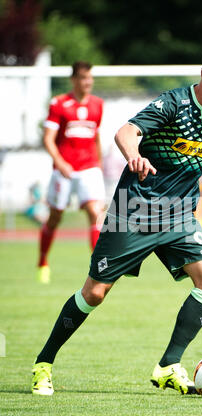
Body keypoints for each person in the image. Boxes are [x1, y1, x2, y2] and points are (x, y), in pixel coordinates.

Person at [31, 46, 202, 396]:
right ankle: (44, 363)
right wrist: (134, 157)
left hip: (179, 215)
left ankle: (167, 365)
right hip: (134, 210)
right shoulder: (173, 103)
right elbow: (126, 132)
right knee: (95, 293)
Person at [37, 61, 105, 284]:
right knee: (55, 217)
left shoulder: (97, 105)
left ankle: (96, 269)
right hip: (64, 171)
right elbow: (48, 139)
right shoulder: (59, 104)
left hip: (89, 168)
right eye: (84, 78)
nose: (88, 82)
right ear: (74, 80)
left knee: (96, 213)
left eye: (90, 78)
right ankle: (43, 262)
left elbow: (95, 136)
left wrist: (99, 163)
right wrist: (60, 162)